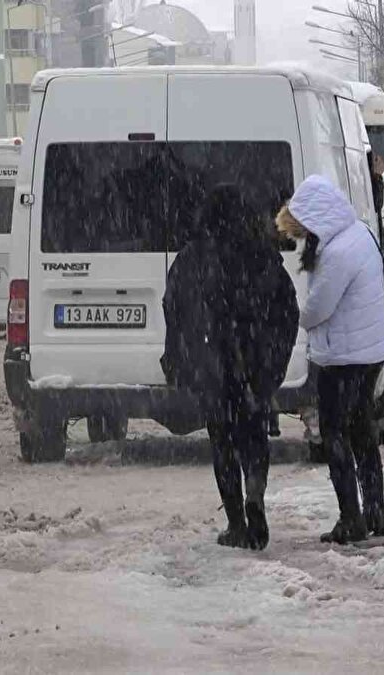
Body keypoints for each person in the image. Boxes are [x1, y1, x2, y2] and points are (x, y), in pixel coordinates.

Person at [163, 184, 299, 551]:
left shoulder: (192, 258)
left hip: (212, 368)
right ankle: (256, 495)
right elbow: (288, 309)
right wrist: (273, 360)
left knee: (222, 443)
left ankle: (237, 522)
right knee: (254, 437)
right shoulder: (262, 255)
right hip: (254, 366)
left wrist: (177, 357)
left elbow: (173, 309)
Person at [276, 175, 384, 545]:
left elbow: (319, 308)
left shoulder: (338, 252)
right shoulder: (359, 235)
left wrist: (298, 316)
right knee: (362, 433)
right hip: (368, 352)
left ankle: (351, 518)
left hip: (343, 358)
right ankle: (376, 512)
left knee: (335, 434)